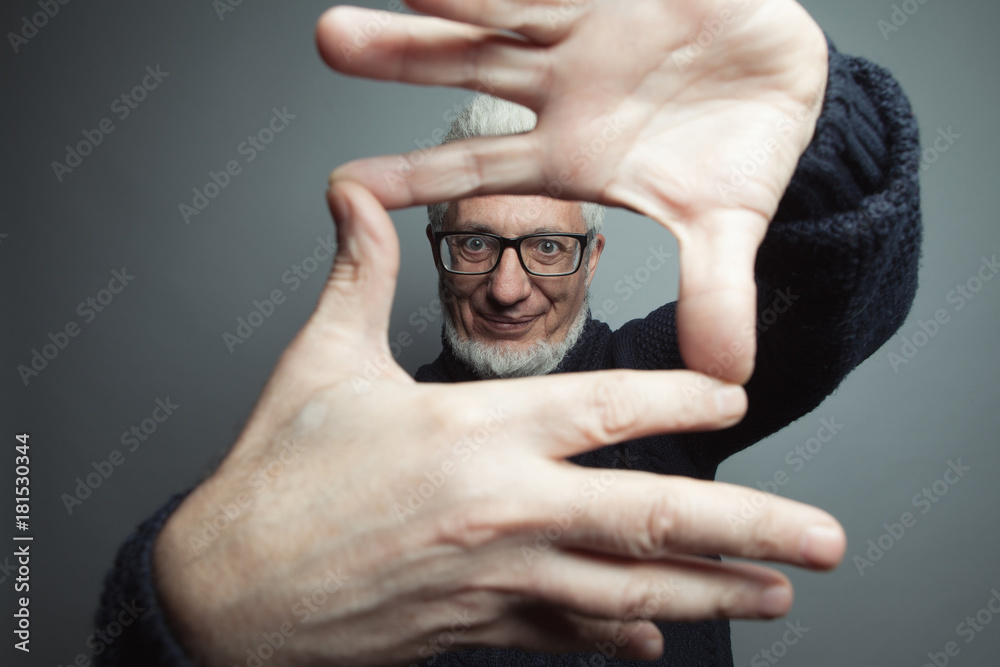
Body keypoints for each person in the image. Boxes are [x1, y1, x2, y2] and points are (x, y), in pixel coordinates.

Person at [95, 0, 921, 665]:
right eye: (476, 243)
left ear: (593, 256)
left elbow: (841, 299)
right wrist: (196, 601)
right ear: (437, 249)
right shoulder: (367, 434)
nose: (508, 285)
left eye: (549, 247)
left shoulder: (659, 377)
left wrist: (812, 127)